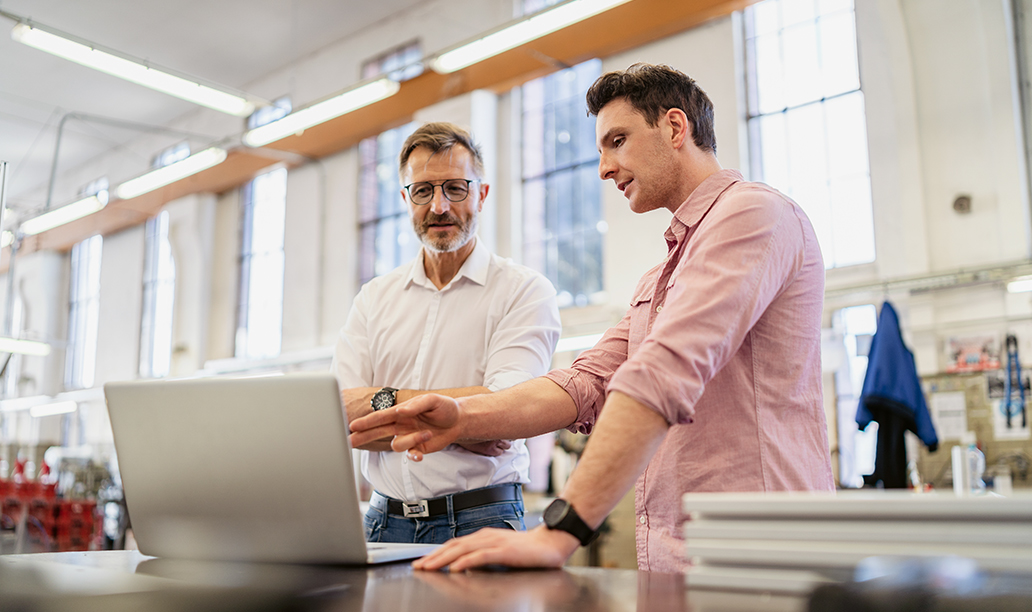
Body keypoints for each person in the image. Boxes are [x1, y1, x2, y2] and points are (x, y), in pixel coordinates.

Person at [348, 64, 835, 572]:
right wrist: (461, 416)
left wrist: (561, 530)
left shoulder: (752, 214)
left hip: (761, 556)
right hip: (679, 559)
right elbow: (584, 384)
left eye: (617, 141)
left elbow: (662, 374)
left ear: (674, 127)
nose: (604, 168)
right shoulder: (660, 277)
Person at [332, 122, 561, 544]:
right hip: (384, 522)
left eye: (455, 188)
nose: (439, 206)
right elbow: (342, 417)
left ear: (482, 194)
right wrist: (464, 420)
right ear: (405, 198)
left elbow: (507, 416)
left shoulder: (524, 291)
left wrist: (381, 405)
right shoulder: (374, 298)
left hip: (482, 518)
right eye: (423, 191)